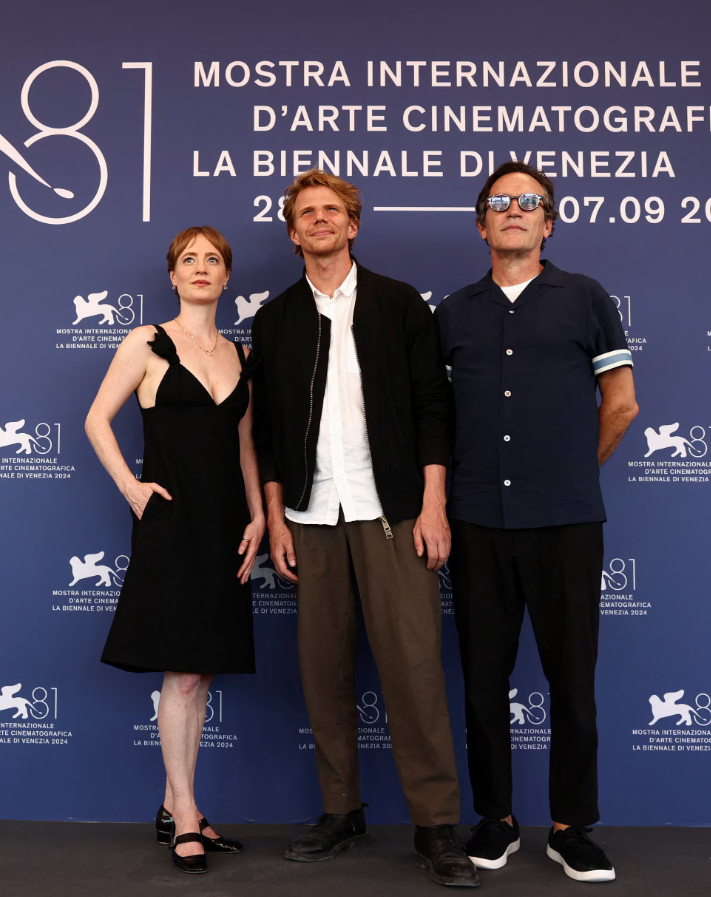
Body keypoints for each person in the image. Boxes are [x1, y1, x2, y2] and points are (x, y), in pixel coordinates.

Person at [250, 169, 478, 888]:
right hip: (310, 519)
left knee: (413, 670)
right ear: (292, 233)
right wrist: (279, 514)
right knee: (322, 672)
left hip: (393, 513)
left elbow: (433, 410)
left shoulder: (399, 304)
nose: (319, 220)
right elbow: (273, 430)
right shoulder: (277, 317)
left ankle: (436, 825)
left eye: (332, 211)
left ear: (352, 226)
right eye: (305, 213)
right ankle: (340, 808)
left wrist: (433, 504)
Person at [435, 160, 639, 883]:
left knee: (570, 678)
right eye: (500, 202)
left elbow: (619, 402)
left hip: (566, 522)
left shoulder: (584, 297)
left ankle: (569, 826)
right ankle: (495, 818)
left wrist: (572, 474)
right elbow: (439, 420)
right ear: (482, 223)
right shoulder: (453, 312)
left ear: (547, 222)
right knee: (483, 679)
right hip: (477, 522)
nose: (514, 210)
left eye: (530, 202)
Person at [86, 226, 265, 875]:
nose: (199, 267)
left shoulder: (240, 355)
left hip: (225, 526)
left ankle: (173, 807)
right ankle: (186, 812)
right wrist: (130, 487)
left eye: (211, 259)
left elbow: (245, 446)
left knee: (203, 670)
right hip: (171, 521)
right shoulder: (146, 341)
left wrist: (257, 517)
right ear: (172, 275)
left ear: (225, 276)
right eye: (188, 259)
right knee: (183, 672)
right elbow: (95, 418)